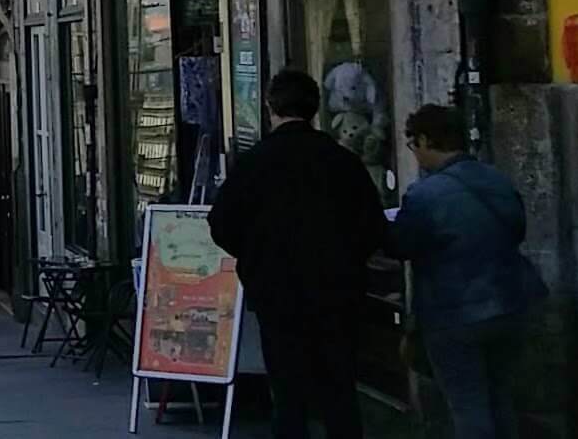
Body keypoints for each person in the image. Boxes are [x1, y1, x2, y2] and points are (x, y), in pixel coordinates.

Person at [210, 70, 387, 439]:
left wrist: (256, 257)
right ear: (315, 108)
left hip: (278, 293)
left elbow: (222, 223)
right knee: (339, 390)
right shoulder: (341, 161)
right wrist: (348, 257)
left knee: (289, 394)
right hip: (337, 290)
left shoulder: (254, 163)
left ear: (270, 107)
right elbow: (372, 225)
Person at [391, 104, 547, 439]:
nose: (415, 155)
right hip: (510, 302)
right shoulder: (497, 179)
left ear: (424, 140)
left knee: (468, 405)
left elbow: (401, 245)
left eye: (413, 146)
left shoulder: (425, 194)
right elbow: (517, 228)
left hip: (454, 311)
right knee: (499, 397)